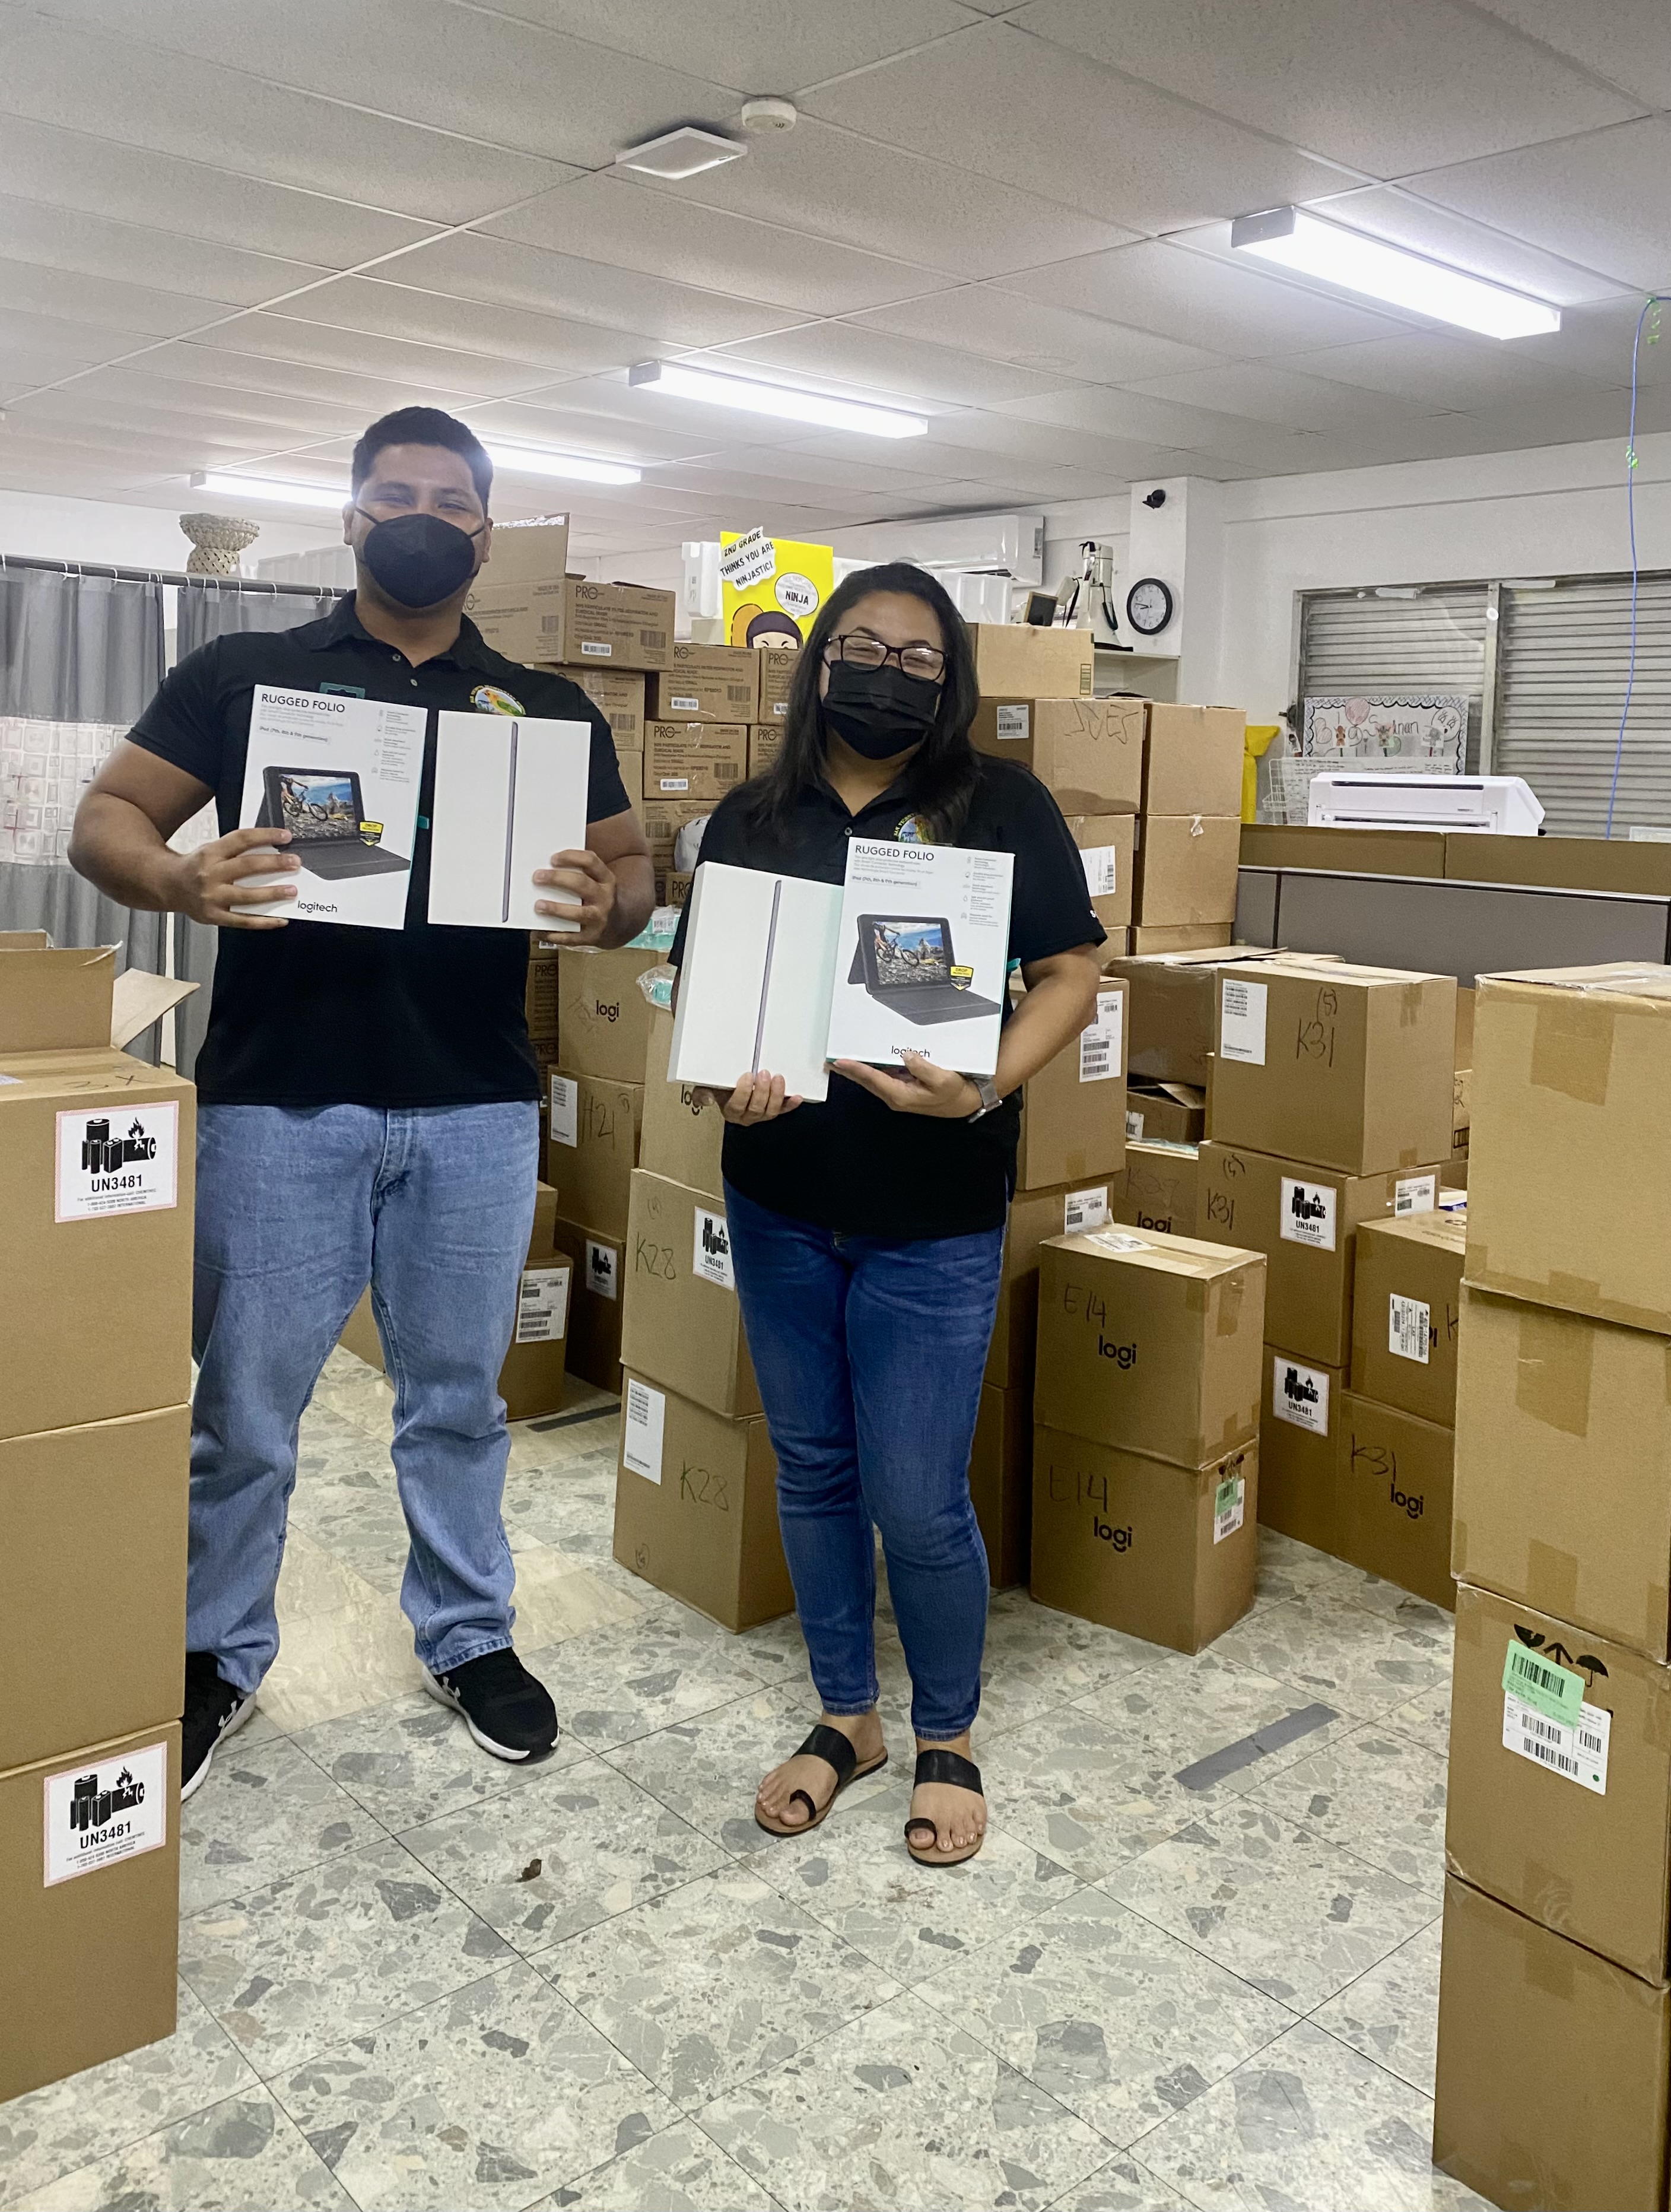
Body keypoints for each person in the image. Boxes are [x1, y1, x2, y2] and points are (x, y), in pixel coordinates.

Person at [69, 406, 653, 1797]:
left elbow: (633, 878)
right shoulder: (247, 673)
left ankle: (467, 1634)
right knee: (248, 1411)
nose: (421, 516)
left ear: (483, 533)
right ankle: (216, 1654)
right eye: (394, 493)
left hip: (476, 1106)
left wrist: (608, 903)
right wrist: (180, 881)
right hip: (280, 1103)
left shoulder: (546, 708)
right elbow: (107, 821)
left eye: (450, 501)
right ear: (347, 514)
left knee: (457, 1397)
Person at [669, 562, 1104, 1865]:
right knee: (811, 1466)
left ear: (952, 680)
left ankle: (948, 1732)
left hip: (933, 1212)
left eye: (918, 658)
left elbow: (1074, 969)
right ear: (815, 662)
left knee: (918, 1496)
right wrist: (719, 1083)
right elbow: (702, 999)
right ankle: (848, 1717)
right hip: (782, 1198)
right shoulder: (752, 816)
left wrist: (981, 1091)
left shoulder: (1004, 807)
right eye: (860, 646)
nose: (887, 671)